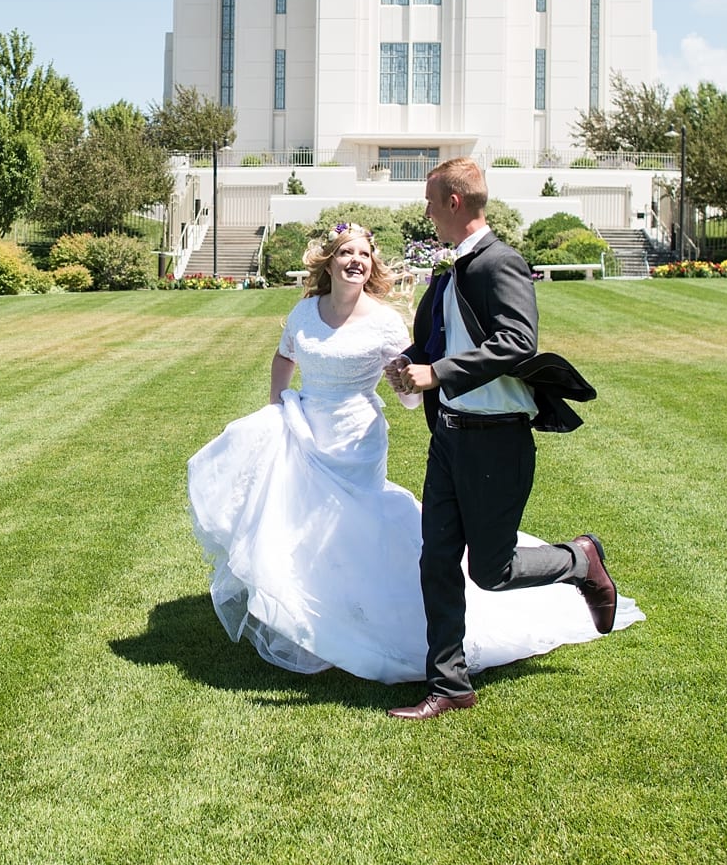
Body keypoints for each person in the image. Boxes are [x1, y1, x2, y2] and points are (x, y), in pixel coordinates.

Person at [186, 221, 635, 688]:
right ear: (330, 262)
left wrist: (407, 381)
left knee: (353, 522)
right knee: (303, 519)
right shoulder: (304, 313)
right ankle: (316, 612)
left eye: (363, 254)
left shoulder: (383, 321)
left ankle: (375, 615)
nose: (355, 261)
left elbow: (408, 386)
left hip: (356, 435)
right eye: (346, 254)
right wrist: (279, 403)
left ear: (372, 265)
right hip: (304, 426)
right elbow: (285, 357)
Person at [382, 156, 628, 721]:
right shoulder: (449, 273)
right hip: (448, 438)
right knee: (437, 560)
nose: (424, 210)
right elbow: (438, 342)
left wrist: (438, 373)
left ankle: (581, 559)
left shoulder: (501, 262)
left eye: (428, 200)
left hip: (496, 440)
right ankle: (450, 685)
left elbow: (518, 341)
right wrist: (411, 362)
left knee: (491, 571)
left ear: (453, 202)